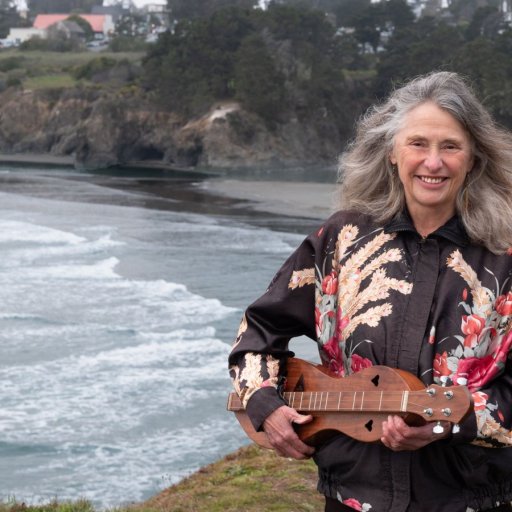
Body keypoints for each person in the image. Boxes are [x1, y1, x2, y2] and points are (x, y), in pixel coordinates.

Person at [228, 71, 512, 512]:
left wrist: (452, 423)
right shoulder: (340, 240)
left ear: (473, 159)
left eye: (450, 147)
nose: (432, 163)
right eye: (418, 143)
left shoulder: (504, 256)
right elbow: (258, 333)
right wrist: (266, 405)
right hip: (350, 499)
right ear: (392, 154)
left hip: (470, 499)